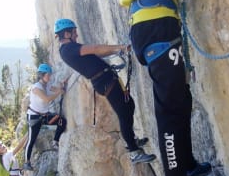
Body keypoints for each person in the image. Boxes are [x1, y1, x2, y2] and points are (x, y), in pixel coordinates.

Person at [113, 0, 222, 176]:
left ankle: (186, 164)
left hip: (152, 22)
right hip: (155, 25)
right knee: (170, 109)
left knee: (180, 100)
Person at [54, 18, 156, 164]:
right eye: (74, 32)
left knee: (129, 105)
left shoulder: (70, 48)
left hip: (106, 78)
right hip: (104, 81)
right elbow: (94, 49)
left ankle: (131, 140)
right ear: (66, 33)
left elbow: (96, 54)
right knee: (123, 112)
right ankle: (134, 152)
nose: (76, 35)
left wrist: (113, 51)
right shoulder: (68, 49)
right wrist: (119, 47)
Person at [23, 63, 67, 171]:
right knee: (31, 139)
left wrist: (62, 86)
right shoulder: (36, 88)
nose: (49, 76)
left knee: (61, 121)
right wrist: (59, 92)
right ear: (42, 75)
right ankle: (26, 162)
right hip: (34, 117)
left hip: (44, 116)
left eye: (50, 74)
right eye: (48, 74)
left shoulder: (47, 85)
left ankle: (55, 142)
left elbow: (55, 89)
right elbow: (46, 99)